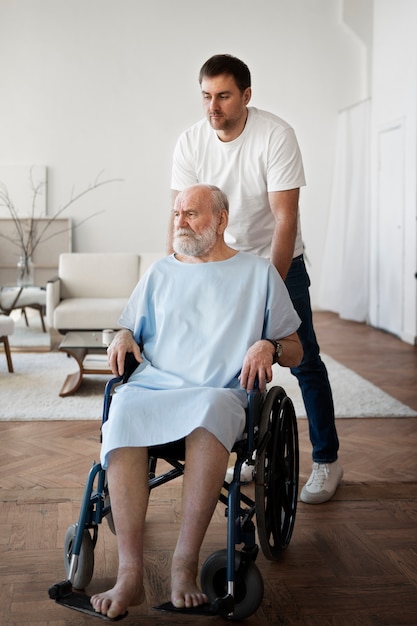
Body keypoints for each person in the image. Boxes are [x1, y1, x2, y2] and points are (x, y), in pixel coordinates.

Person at [91, 184, 302, 619]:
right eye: (176, 214)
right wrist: (124, 335)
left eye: (191, 213)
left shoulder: (258, 274)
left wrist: (269, 347)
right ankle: (129, 572)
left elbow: (295, 348)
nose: (179, 222)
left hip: (219, 390)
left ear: (221, 220)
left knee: (209, 410)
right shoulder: (160, 272)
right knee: (125, 408)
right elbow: (128, 328)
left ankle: (183, 566)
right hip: (156, 386)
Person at [170, 54, 343, 505]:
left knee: (302, 359)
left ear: (246, 96)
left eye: (223, 96)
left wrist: (270, 286)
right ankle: (251, 453)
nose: (213, 107)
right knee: (237, 360)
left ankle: (326, 459)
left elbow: (285, 220)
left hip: (278, 261)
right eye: (206, 96)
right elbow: (184, 219)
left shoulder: (276, 136)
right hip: (219, 265)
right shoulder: (190, 142)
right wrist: (180, 276)